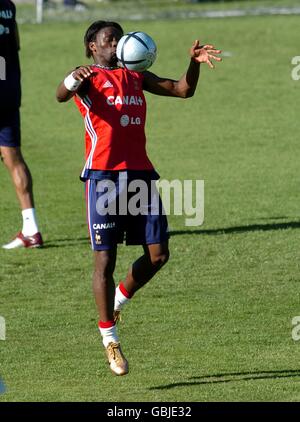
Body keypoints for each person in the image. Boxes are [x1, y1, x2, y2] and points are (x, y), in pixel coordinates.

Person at [56, 20, 221, 376]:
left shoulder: (136, 76)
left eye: (118, 38)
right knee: (105, 260)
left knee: (159, 255)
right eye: (108, 40)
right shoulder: (87, 78)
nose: (115, 44)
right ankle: (110, 340)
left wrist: (193, 61)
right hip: (102, 178)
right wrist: (74, 77)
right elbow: (60, 93)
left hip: (141, 175)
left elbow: (182, 90)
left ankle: (115, 302)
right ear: (92, 47)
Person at [0, 0, 43, 249]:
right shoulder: (8, 5)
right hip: (9, 90)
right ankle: (31, 228)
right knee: (13, 157)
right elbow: (16, 43)